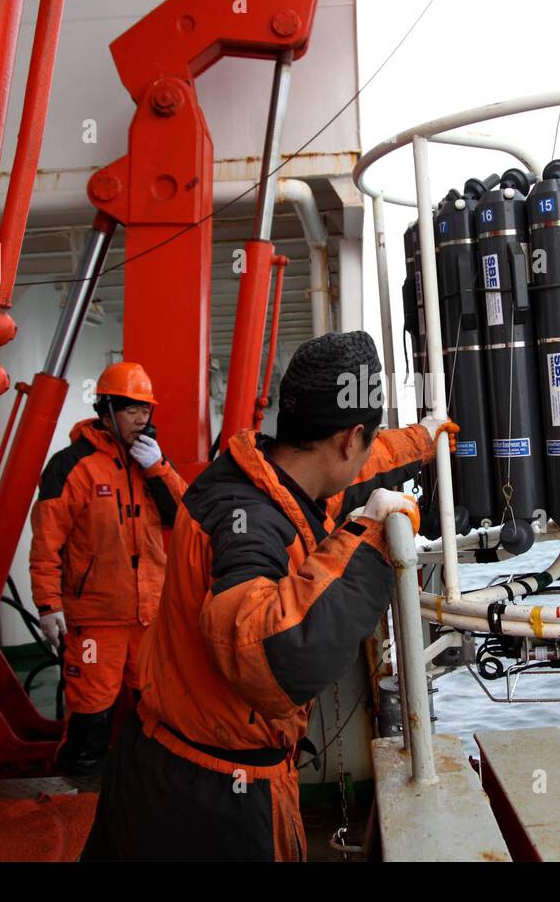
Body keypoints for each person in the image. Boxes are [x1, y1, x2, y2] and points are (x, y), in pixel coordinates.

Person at [81, 330, 457, 861]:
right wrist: (370, 542)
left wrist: (422, 439)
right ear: (350, 438)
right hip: (209, 802)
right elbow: (267, 657)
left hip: (154, 762)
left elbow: (360, 468)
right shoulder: (254, 524)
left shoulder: (254, 475)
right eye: (366, 440)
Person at [29, 361, 187, 774]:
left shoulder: (149, 461)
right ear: (107, 409)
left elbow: (185, 515)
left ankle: (141, 787)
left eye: (146, 410)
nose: (141, 418)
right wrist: (49, 606)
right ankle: (81, 793)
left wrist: (159, 467)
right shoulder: (71, 466)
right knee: (91, 709)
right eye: (132, 408)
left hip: (147, 616)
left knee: (153, 703)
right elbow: (47, 542)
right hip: (96, 618)